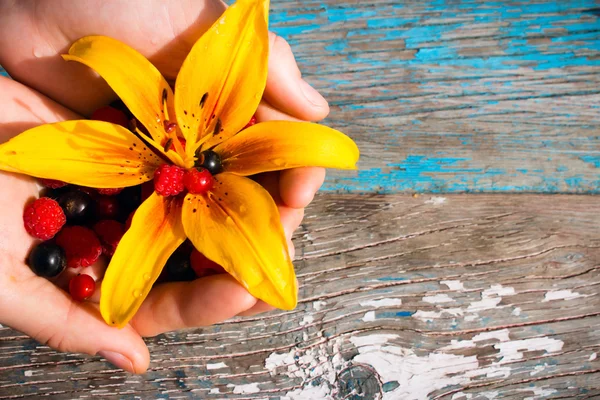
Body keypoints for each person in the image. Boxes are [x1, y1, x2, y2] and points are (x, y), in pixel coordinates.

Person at [0, 0, 328, 374]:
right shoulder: (157, 157)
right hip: (142, 164)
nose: (181, 148)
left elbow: (319, 144)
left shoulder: (209, 172)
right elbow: (99, 55)